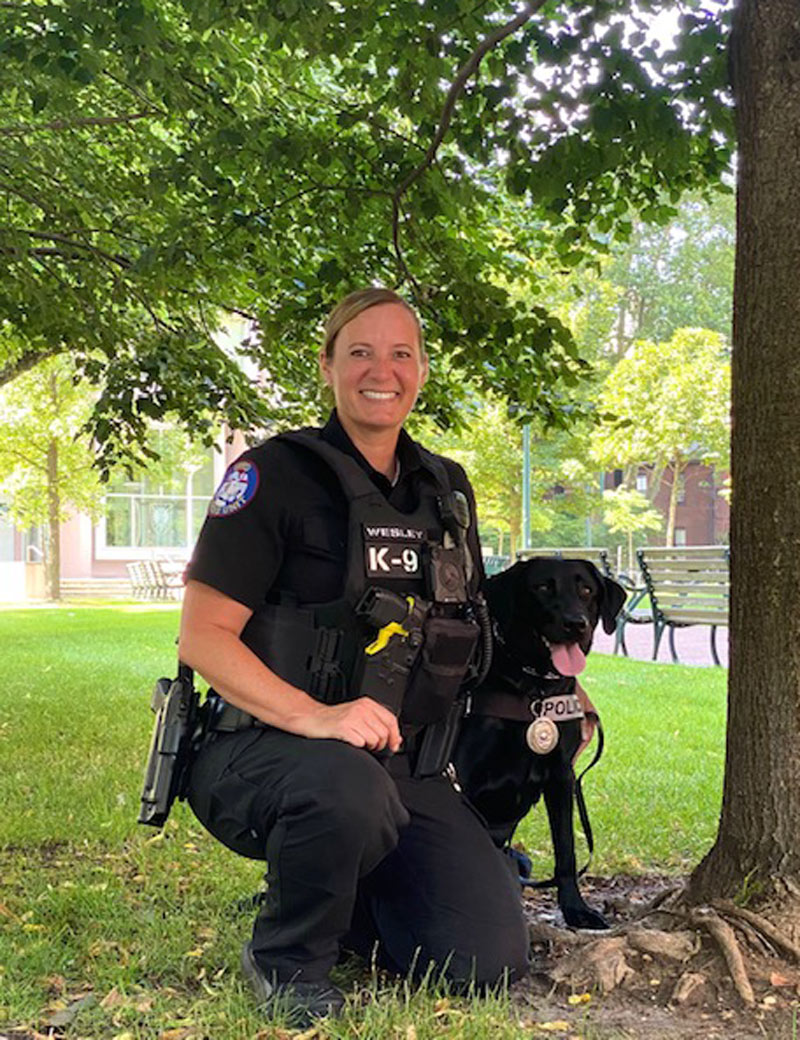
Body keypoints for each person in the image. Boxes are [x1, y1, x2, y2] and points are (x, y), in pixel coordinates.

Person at [178, 288, 530, 1027]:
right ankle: (286, 958)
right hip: (265, 752)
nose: (383, 370)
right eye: (361, 351)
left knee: (484, 963)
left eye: (401, 353)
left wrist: (557, 694)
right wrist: (319, 716)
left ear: (423, 370)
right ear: (328, 366)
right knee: (345, 789)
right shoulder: (271, 475)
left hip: (407, 768)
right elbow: (202, 637)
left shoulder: (446, 491)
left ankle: (344, 888)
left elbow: (467, 628)